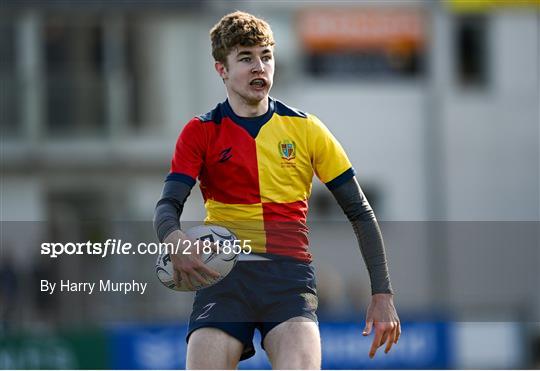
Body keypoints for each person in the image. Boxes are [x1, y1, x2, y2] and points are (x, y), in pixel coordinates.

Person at [154, 11, 400, 369]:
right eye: (246, 58)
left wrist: (382, 293)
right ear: (221, 69)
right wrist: (173, 237)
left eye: (266, 57)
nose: (260, 67)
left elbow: (360, 212)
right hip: (223, 278)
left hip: (288, 279)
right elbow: (167, 205)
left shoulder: (307, 130)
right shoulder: (201, 131)